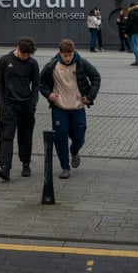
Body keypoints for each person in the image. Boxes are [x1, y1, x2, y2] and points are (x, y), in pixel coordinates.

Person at [40, 38, 101, 179]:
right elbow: (41, 82)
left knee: (79, 136)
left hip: (78, 107)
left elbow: (96, 77)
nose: (68, 58)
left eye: (70, 55)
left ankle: (74, 150)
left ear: (74, 52)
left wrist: (90, 96)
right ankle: (65, 167)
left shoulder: (81, 63)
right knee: (60, 137)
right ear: (60, 53)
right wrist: (49, 95)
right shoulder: (52, 65)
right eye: (65, 55)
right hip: (59, 107)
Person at [0, 36, 39, 181]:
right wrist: (2, 103)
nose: (26, 57)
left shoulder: (32, 63)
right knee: (6, 137)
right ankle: (5, 168)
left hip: (26, 105)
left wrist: (32, 104)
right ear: (17, 49)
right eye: (23, 54)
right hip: (8, 106)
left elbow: (36, 85)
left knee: (25, 137)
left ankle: (26, 164)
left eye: (28, 55)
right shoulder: (4, 61)